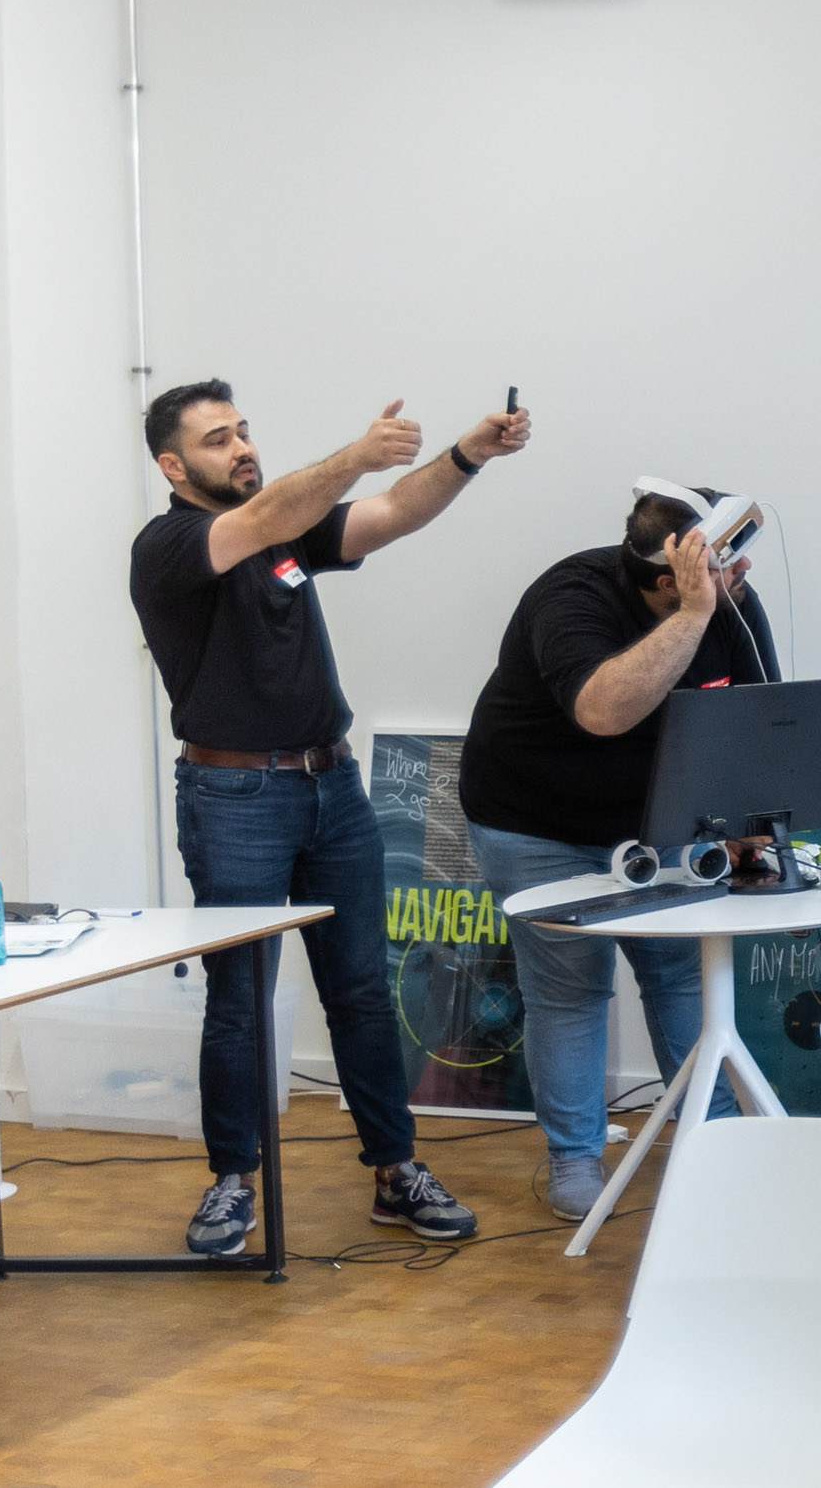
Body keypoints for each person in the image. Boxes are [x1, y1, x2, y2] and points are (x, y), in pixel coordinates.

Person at [131, 380, 530, 1255]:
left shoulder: (283, 531)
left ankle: (395, 1169)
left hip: (332, 789)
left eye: (242, 431)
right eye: (215, 441)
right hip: (235, 799)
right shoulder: (169, 543)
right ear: (173, 465)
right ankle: (232, 1183)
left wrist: (466, 455)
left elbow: (388, 512)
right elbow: (258, 519)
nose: (240, 447)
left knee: (358, 988)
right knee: (240, 997)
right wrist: (351, 452)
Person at [458, 485, 777, 1220]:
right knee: (569, 989)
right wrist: (697, 613)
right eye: (716, 567)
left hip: (660, 816)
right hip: (534, 818)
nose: (737, 577)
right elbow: (604, 709)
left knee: (681, 977)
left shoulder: (728, 603)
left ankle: (717, 1145)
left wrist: (749, 816)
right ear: (668, 578)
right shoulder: (570, 597)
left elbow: (758, 717)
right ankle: (574, 1157)